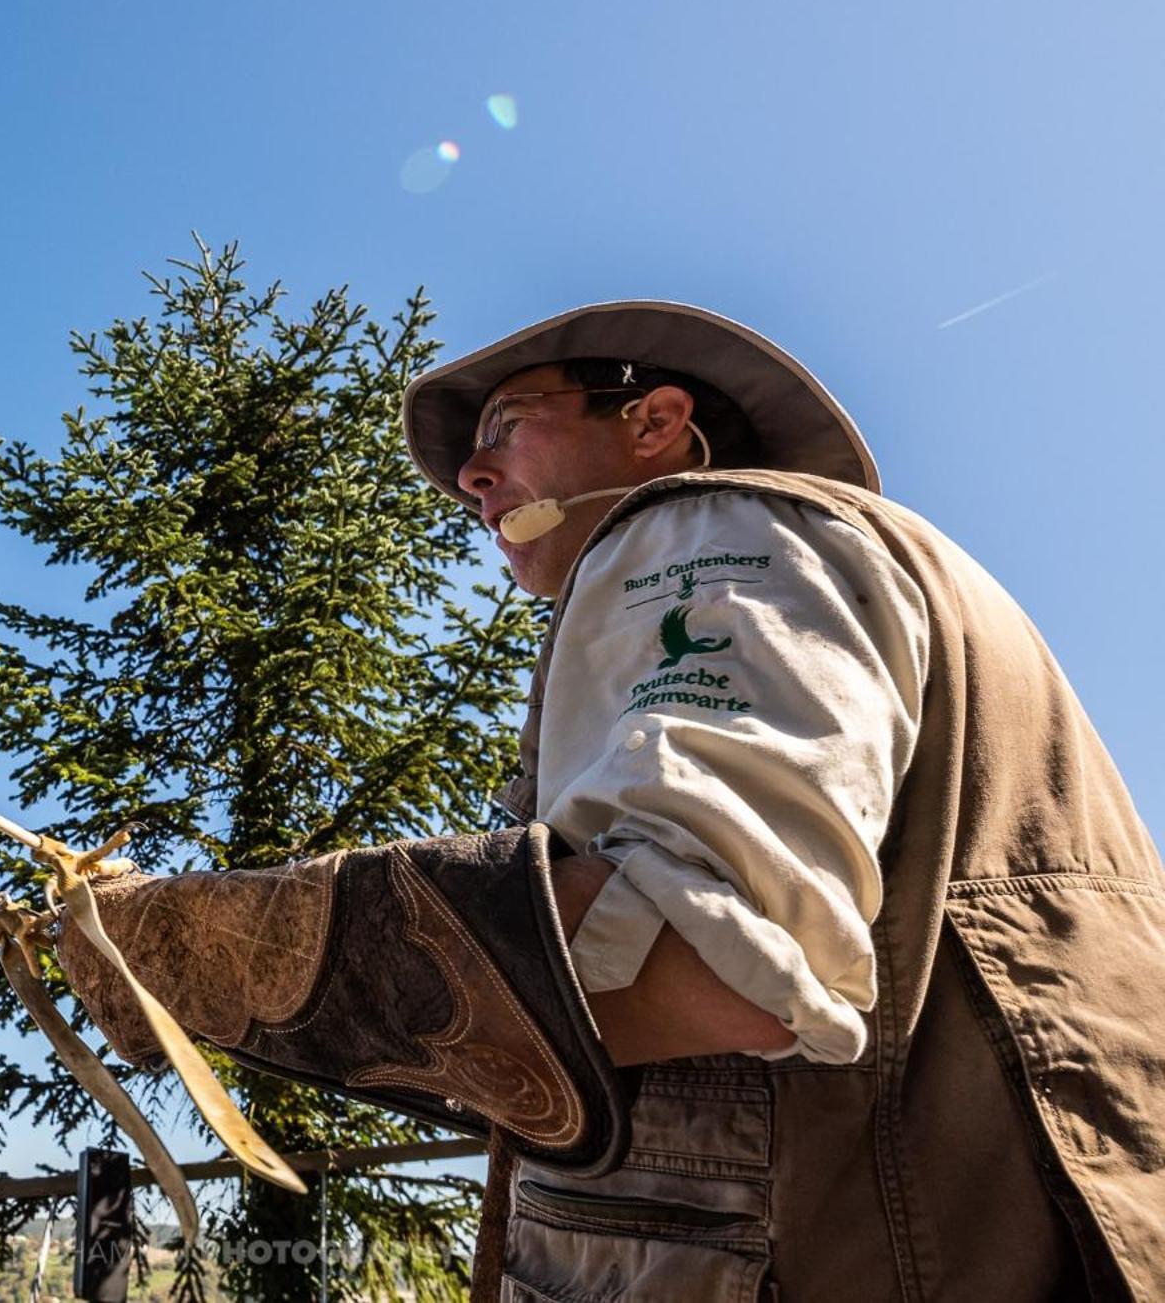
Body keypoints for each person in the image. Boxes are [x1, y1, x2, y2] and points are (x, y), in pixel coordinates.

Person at [58, 299, 1165, 1301]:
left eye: (504, 428)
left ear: (653, 424)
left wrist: (193, 949)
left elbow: (708, 964)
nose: (468, 480)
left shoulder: (701, 531)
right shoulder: (871, 566)